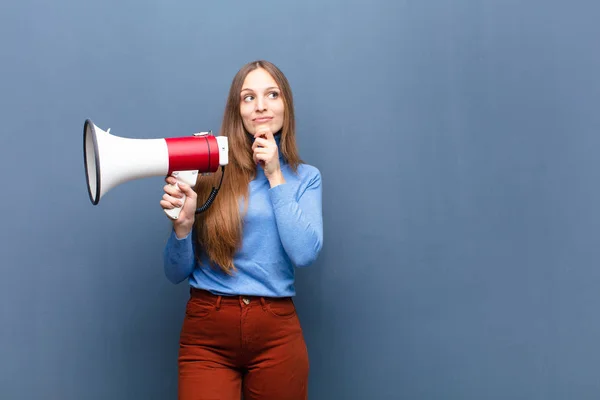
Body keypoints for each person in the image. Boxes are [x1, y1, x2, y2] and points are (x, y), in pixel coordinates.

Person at [160, 60, 323, 400]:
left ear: (285, 105)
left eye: (272, 94)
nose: (261, 105)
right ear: (238, 111)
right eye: (249, 97)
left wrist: (276, 175)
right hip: (207, 333)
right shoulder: (208, 172)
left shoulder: (306, 178)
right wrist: (182, 227)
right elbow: (175, 272)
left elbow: (305, 253)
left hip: (276, 333)